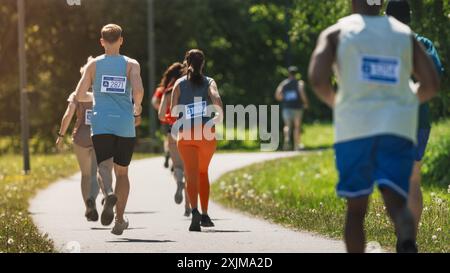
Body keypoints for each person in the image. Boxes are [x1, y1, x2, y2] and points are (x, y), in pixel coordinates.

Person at [308, 0, 439, 253]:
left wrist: (338, 103)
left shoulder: (336, 33)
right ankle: (407, 243)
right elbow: (431, 84)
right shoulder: (405, 34)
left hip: (355, 130)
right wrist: (404, 102)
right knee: (398, 202)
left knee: (356, 208)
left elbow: (316, 78)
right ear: (380, 4)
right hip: (397, 130)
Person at [75, 24, 145, 235]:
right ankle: (119, 219)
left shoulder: (93, 65)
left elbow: (79, 94)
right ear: (121, 40)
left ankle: (108, 192)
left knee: (103, 167)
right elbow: (139, 90)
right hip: (124, 123)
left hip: (101, 122)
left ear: (102, 41)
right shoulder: (131, 64)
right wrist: (137, 108)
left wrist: (95, 96)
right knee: (122, 172)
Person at [385, 0, 444, 239]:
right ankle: (408, 240)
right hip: (418, 119)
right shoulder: (424, 43)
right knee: (412, 179)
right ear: (409, 16)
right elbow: (435, 77)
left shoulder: (380, 44)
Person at [170, 49, 223, 232]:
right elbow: (216, 97)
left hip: (185, 135)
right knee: (202, 172)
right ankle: (206, 214)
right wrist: (218, 116)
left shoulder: (178, 83)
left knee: (190, 173)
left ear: (186, 63)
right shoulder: (209, 82)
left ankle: (194, 212)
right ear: (203, 64)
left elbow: (173, 110)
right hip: (206, 134)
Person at [56, 57, 114, 222]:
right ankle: (101, 196)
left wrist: (61, 135)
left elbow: (68, 115)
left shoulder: (76, 95)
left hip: (80, 138)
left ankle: (89, 205)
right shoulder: (102, 93)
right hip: (99, 135)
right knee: (100, 170)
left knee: (85, 174)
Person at [157, 62, 192, 217]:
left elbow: (160, 115)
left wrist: (170, 118)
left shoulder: (169, 91)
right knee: (190, 169)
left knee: (177, 166)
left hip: (174, 130)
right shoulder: (191, 89)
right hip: (192, 131)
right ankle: (188, 206)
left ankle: (179, 183)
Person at [275, 66, 309, 151]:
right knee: (297, 127)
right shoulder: (299, 83)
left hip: (286, 107)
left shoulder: (284, 83)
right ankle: (297, 146)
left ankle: (287, 139)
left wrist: (284, 99)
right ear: (296, 74)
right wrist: (305, 103)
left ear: (289, 74)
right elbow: (302, 93)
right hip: (297, 107)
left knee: (287, 125)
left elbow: (277, 95)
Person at [152, 84, 171, 169]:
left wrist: (161, 109)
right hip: (177, 117)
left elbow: (154, 101)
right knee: (176, 139)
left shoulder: (161, 90)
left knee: (167, 138)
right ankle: (175, 162)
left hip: (165, 118)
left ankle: (167, 152)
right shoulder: (178, 87)